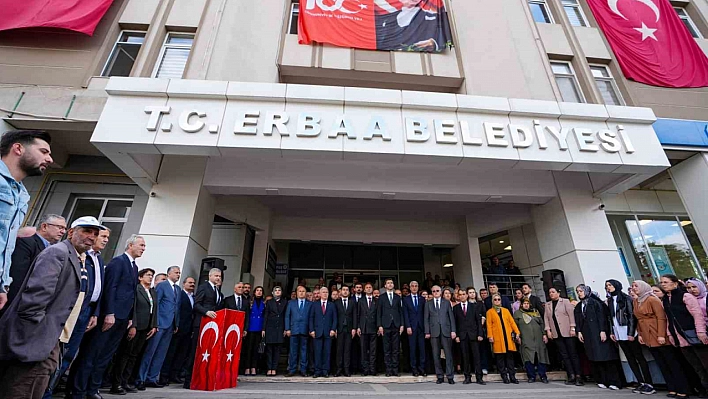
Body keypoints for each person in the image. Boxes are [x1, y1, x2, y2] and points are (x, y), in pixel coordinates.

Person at [0, 216, 100, 398]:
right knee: (24, 386)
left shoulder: (80, 258)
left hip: (54, 336)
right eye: (86, 231)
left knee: (39, 382)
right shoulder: (57, 253)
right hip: (38, 336)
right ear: (71, 233)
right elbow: (35, 298)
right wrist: (37, 333)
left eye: (95, 233)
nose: (92, 237)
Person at [70, 234, 146, 399]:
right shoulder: (118, 262)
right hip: (109, 317)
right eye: (141, 245)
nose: (143, 248)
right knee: (92, 354)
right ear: (130, 245)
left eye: (144, 246)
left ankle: (93, 389)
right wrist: (109, 312)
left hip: (123, 319)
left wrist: (131, 318)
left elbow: (131, 294)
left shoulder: (133, 267)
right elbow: (110, 288)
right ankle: (78, 390)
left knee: (105, 356)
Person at [44, 226, 109, 399]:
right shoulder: (78, 256)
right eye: (100, 236)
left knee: (70, 353)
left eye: (105, 236)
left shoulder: (99, 260)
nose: (104, 240)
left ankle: (51, 388)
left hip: (88, 312)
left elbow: (98, 289)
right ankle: (45, 391)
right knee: (58, 351)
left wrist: (95, 313)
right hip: (72, 309)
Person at [0, 130, 53, 312]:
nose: (50, 159)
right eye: (44, 152)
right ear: (18, 148)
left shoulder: (22, 195)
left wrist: (3, 283)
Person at [633, 279, 690, 398]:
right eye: (633, 286)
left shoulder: (652, 299)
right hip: (647, 334)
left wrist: (661, 335)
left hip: (657, 332)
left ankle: (682, 388)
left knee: (671, 362)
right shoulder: (636, 301)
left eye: (636, 286)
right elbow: (638, 319)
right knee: (661, 363)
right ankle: (672, 388)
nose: (634, 288)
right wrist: (640, 334)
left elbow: (661, 317)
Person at [111, 268, 158, 393]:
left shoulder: (152, 292)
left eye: (152, 275)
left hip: (146, 327)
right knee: (125, 354)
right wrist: (133, 326)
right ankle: (117, 383)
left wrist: (153, 325)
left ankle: (126, 381)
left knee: (134, 355)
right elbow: (134, 308)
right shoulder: (137, 289)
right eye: (148, 275)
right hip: (135, 326)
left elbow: (154, 310)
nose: (150, 277)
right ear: (140, 277)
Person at [661, 274, 708, 395]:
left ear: (675, 283)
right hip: (680, 337)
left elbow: (697, 314)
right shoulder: (665, 299)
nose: (663, 285)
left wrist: (701, 331)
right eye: (662, 283)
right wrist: (670, 334)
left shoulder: (685, 296)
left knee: (705, 363)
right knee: (696, 366)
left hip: (693, 334)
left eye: (666, 282)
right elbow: (668, 318)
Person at [6, 214, 66, 309]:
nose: (63, 232)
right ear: (44, 226)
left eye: (64, 228)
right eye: (60, 227)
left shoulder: (53, 249)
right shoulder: (26, 243)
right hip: (18, 304)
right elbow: (18, 276)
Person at [605, 279, 654, 394]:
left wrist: (631, 333)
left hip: (628, 331)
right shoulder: (610, 300)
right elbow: (611, 318)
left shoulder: (626, 298)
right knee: (630, 358)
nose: (608, 287)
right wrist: (612, 332)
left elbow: (632, 316)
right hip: (618, 332)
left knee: (639, 357)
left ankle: (649, 383)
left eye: (610, 285)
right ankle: (640, 382)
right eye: (606, 285)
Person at [137, 266, 181, 388]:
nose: (178, 274)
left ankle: (152, 378)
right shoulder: (162, 286)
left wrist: (176, 323)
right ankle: (141, 378)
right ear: (169, 274)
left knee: (161, 353)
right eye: (176, 272)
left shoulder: (177, 289)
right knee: (150, 351)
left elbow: (177, 308)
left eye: (179, 273)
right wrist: (154, 324)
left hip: (170, 325)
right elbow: (156, 304)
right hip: (160, 324)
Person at [182, 268, 223, 389]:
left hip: (211, 326)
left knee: (206, 352)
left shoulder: (217, 290)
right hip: (201, 323)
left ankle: (201, 378)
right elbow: (197, 304)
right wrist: (206, 312)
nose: (218, 278)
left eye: (219, 276)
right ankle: (188, 380)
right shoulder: (203, 287)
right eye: (216, 275)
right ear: (210, 276)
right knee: (195, 351)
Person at [574, 284, 620, 390]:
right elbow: (578, 320)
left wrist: (603, 330)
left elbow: (602, 317)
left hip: (598, 332)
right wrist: (579, 331)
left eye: (581, 291)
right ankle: (601, 379)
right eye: (578, 291)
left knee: (606, 357)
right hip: (588, 334)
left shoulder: (595, 303)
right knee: (594, 357)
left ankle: (614, 381)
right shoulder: (579, 306)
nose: (579, 293)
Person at [544, 287, 582, 386]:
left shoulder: (565, 302)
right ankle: (571, 375)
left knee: (573, 354)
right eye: (550, 292)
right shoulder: (548, 305)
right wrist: (548, 330)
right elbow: (546, 318)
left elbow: (571, 315)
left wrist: (572, 327)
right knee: (564, 355)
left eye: (553, 292)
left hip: (568, 331)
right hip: (557, 333)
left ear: (558, 293)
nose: (551, 294)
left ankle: (578, 376)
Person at [160, 276, 195, 384]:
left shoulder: (194, 297)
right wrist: (176, 324)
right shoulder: (180, 294)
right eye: (189, 282)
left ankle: (175, 375)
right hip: (178, 328)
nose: (192, 284)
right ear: (184, 284)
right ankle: (164, 375)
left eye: (193, 283)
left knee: (181, 354)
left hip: (188, 330)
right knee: (172, 352)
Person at [424, 285, 456, 384]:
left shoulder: (446, 303)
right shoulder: (428, 304)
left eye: (437, 291)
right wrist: (427, 331)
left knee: (448, 354)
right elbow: (426, 319)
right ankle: (440, 376)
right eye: (433, 291)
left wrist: (453, 330)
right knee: (436, 354)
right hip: (434, 332)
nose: (435, 292)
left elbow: (451, 317)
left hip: (446, 330)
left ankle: (450, 376)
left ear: (441, 292)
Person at [487, 293, 520, 384]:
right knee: (500, 358)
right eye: (495, 299)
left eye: (498, 299)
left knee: (510, 358)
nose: (497, 301)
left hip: (507, 337)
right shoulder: (489, 312)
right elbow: (489, 325)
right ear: (492, 301)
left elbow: (512, 322)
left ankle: (512, 376)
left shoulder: (505, 310)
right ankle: (504, 376)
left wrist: (517, 332)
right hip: (498, 337)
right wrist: (490, 336)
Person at [513, 298, 549, 383]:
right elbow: (515, 326)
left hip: (538, 338)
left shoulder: (535, 312)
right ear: (521, 304)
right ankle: (531, 376)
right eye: (524, 303)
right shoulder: (518, 313)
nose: (526, 305)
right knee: (528, 357)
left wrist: (544, 334)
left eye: (527, 303)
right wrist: (517, 336)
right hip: (526, 338)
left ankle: (543, 376)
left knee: (541, 356)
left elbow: (541, 323)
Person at [454, 289, 485, 385]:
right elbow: (455, 323)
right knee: (465, 357)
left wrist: (480, 334)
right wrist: (457, 335)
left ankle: (479, 377)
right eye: (460, 295)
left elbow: (478, 322)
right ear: (458, 296)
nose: (462, 296)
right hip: (462, 336)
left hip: (474, 335)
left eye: (464, 294)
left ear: (467, 295)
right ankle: (467, 377)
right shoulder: (456, 308)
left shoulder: (473, 307)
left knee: (476, 357)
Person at [377, 278, 403, 377]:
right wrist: (379, 325)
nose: (390, 284)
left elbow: (401, 312)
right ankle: (388, 370)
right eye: (388, 283)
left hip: (396, 325)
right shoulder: (381, 297)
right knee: (387, 349)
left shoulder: (397, 297)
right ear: (385, 286)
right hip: (385, 325)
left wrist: (402, 324)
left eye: (391, 283)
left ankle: (395, 370)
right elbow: (379, 312)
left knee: (396, 349)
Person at [310, 286, 336, 378]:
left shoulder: (331, 305)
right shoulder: (315, 305)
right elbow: (311, 318)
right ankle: (317, 371)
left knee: (327, 352)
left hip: (328, 332)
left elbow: (334, 319)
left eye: (326, 292)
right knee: (317, 352)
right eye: (323, 292)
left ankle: (325, 371)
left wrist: (333, 329)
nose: (325, 294)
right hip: (317, 332)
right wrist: (312, 330)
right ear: (320, 294)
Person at [285, 285, 311, 377]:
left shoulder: (310, 304)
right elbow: (287, 316)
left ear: (306, 293)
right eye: (299, 291)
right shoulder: (291, 303)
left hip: (305, 330)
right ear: (296, 293)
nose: (301, 293)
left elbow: (311, 318)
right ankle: (292, 369)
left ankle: (303, 370)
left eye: (303, 291)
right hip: (293, 330)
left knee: (304, 351)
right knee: (293, 351)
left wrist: (310, 329)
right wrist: (287, 329)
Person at [403, 280, 426, 377]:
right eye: (412, 286)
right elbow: (405, 314)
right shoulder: (406, 299)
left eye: (416, 286)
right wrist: (408, 326)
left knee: (422, 349)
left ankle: (422, 368)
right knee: (412, 349)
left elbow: (425, 314)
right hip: (411, 327)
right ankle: (414, 369)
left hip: (421, 327)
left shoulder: (422, 299)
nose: (414, 287)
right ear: (409, 287)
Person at [240, 286, 264, 376]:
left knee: (256, 349)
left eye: (261, 291)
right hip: (250, 327)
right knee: (248, 348)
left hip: (259, 327)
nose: (259, 292)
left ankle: (254, 367)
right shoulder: (249, 302)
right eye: (257, 290)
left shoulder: (264, 302)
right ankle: (247, 367)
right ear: (254, 292)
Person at [263, 286, 286, 376]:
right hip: (270, 328)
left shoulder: (284, 302)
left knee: (277, 350)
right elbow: (266, 315)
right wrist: (263, 328)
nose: (277, 292)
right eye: (275, 290)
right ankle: (269, 368)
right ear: (272, 293)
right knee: (269, 349)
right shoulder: (269, 302)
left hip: (280, 328)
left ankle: (274, 368)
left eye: (279, 290)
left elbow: (286, 316)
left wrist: (286, 328)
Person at [356, 283, 378, 376]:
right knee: (363, 350)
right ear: (364, 290)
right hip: (363, 327)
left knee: (373, 350)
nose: (368, 289)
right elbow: (357, 315)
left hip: (373, 328)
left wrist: (379, 326)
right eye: (367, 288)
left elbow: (378, 315)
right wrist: (358, 327)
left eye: (370, 287)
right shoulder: (360, 301)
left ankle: (372, 369)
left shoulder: (377, 300)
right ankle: (365, 369)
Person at [334, 285, 355, 377]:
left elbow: (354, 316)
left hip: (349, 329)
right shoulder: (336, 303)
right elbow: (334, 317)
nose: (345, 291)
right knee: (339, 350)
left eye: (347, 290)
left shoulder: (352, 302)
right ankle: (339, 369)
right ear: (340, 292)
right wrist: (334, 328)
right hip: (339, 329)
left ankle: (346, 369)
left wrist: (354, 328)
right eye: (343, 290)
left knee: (347, 350)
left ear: (349, 292)